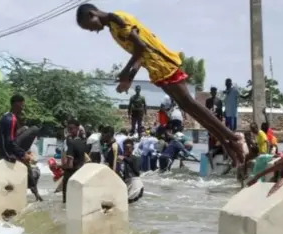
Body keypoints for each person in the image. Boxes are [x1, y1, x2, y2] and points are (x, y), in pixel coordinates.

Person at [75, 4, 245, 166]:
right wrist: (129, 76)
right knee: (187, 107)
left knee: (190, 103)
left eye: (88, 26)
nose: (91, 30)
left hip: (163, 63)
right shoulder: (113, 28)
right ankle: (228, 144)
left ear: (92, 14)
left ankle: (233, 137)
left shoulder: (118, 19)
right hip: (155, 69)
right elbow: (139, 54)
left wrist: (126, 73)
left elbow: (141, 47)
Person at [61, 120, 88, 204]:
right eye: (68, 129)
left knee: (67, 203)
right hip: (80, 176)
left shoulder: (71, 143)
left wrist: (59, 166)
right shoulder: (83, 142)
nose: (69, 131)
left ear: (77, 129)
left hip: (70, 176)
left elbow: (69, 165)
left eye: (71, 129)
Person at [0, 94, 27, 163]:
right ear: (16, 104)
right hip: (8, 155)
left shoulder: (5, 115)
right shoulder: (12, 119)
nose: (22, 107)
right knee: (34, 129)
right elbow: (10, 141)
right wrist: (23, 154)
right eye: (22, 105)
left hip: (1, 153)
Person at [121, 139, 144, 203]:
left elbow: (137, 172)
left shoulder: (135, 158)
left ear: (133, 148)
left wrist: (124, 159)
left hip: (136, 185)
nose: (126, 150)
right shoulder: (123, 159)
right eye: (124, 148)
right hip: (128, 184)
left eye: (128, 148)